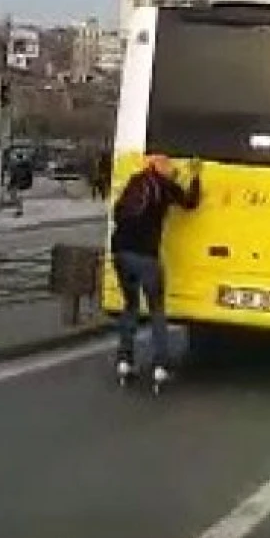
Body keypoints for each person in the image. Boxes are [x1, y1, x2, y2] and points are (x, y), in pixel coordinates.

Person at [111, 154, 202, 385]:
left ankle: (124, 360)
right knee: (156, 310)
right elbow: (190, 202)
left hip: (121, 252)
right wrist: (195, 176)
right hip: (146, 256)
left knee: (130, 306)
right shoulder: (166, 187)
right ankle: (160, 364)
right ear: (164, 169)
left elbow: (118, 211)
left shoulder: (136, 181)